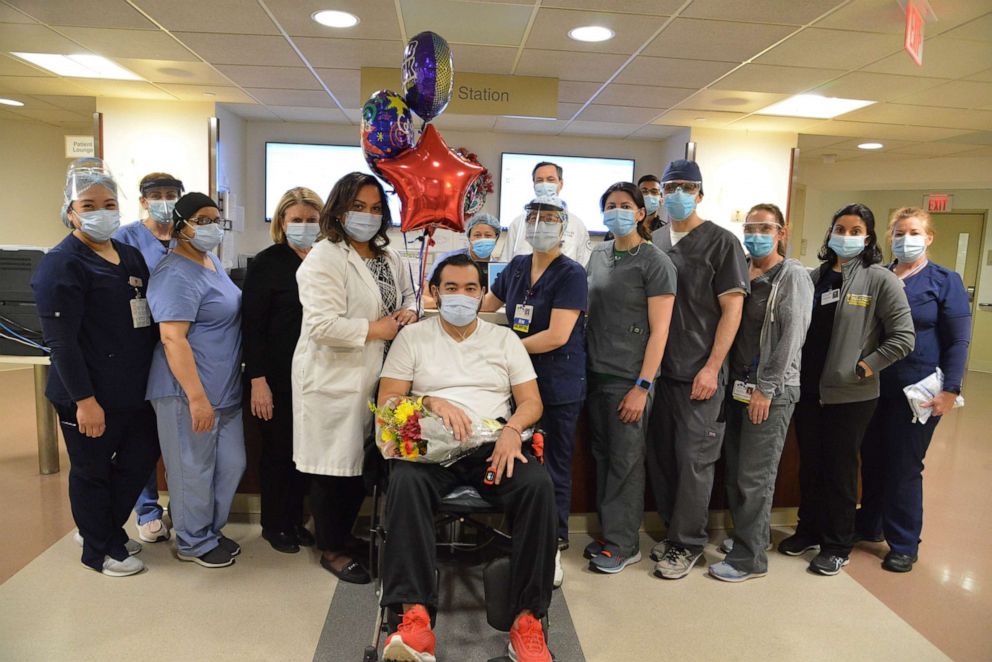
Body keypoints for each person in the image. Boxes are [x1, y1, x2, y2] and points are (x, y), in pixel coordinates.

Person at [377, 253, 556, 662]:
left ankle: (527, 620)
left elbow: (531, 401)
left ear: (481, 294)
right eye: (451, 288)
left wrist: (512, 431)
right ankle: (415, 619)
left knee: (536, 488)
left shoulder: (504, 339)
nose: (461, 296)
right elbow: (388, 399)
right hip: (431, 446)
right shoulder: (413, 338)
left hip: (493, 444)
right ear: (435, 293)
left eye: (470, 288)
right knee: (404, 482)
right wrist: (429, 401)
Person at [31, 158, 160, 577]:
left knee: (139, 461)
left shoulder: (127, 255)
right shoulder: (62, 264)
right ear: (70, 210)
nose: (100, 212)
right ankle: (98, 551)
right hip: (86, 393)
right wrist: (85, 401)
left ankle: (102, 531)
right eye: (88, 205)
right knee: (92, 471)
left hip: (131, 390)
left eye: (107, 203)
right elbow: (61, 342)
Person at [292, 172, 416, 584]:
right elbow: (322, 326)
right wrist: (377, 329)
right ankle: (331, 548)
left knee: (360, 464)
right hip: (334, 375)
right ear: (340, 210)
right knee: (332, 469)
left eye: (376, 209)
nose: (368, 216)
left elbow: (409, 296)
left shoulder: (387, 256)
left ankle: (343, 536)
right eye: (359, 207)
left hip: (373, 375)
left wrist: (409, 313)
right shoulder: (325, 257)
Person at [780, 203, 914, 576]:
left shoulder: (879, 280)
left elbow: (904, 338)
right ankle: (808, 529)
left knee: (839, 471)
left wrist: (865, 366)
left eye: (856, 231)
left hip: (852, 395)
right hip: (809, 390)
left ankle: (837, 544)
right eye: (841, 228)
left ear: (868, 238)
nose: (846, 236)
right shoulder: (815, 276)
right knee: (810, 466)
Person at [646, 159, 750, 580]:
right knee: (664, 460)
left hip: (698, 374)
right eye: (670, 187)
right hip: (659, 373)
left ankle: (688, 544)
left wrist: (712, 368)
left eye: (686, 187)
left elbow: (733, 309)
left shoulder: (721, 243)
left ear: (700, 194)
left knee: (694, 461)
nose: (676, 194)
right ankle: (673, 534)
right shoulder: (653, 240)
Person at [856, 207, 970, 573]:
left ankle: (903, 542)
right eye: (900, 233)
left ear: (929, 237)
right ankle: (869, 524)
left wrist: (950, 389)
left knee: (903, 465)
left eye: (915, 232)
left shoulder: (943, 280)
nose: (907, 239)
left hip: (917, 389)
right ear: (890, 237)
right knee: (871, 459)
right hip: (872, 386)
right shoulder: (878, 276)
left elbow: (958, 340)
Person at [482, 195, 588, 585]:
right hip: (519, 383)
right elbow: (485, 306)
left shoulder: (571, 274)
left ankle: (554, 538)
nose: (539, 224)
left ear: (564, 227)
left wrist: (505, 349)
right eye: (533, 217)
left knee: (553, 462)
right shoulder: (516, 267)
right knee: (519, 460)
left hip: (557, 381)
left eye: (549, 218)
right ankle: (519, 533)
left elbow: (558, 335)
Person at [707, 204, 813, 583]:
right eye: (750, 227)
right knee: (737, 471)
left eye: (764, 227)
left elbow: (791, 339)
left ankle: (750, 559)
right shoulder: (745, 270)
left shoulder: (792, 277)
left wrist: (766, 389)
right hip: (739, 387)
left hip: (771, 391)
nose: (756, 234)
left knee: (755, 476)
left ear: (781, 233)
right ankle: (749, 538)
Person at [146, 192, 246, 569]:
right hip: (187, 392)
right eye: (201, 219)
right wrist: (196, 397)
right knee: (192, 469)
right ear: (179, 225)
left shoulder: (210, 262)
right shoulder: (173, 274)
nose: (211, 226)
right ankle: (192, 540)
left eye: (215, 218)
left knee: (231, 464)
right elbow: (172, 338)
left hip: (224, 388)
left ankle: (208, 528)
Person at [584, 182, 677, 574]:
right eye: (610, 205)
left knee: (625, 461)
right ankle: (610, 533)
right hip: (595, 372)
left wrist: (643, 386)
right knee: (604, 458)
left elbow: (661, 330)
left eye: (625, 205)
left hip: (629, 378)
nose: (617, 211)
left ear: (642, 213)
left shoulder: (655, 262)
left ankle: (625, 543)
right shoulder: (599, 254)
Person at [242, 187, 323, 553]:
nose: (305, 226)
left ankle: (294, 519)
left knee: (305, 454)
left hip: (316, 376)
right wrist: (258, 381)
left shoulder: (325, 260)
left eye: (311, 220)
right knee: (278, 452)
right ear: (282, 223)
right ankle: (275, 525)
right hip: (275, 376)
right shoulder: (267, 263)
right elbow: (252, 327)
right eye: (297, 220)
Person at [112, 171, 184, 545]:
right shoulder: (126, 238)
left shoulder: (188, 236)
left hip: (180, 347)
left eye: (172, 194)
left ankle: (182, 507)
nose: (164, 200)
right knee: (141, 435)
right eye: (156, 195)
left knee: (177, 436)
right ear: (143, 201)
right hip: (140, 345)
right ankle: (148, 509)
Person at [504, 161, 592, 266]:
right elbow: (505, 263)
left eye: (550, 180)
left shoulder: (577, 225)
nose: (544, 184)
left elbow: (585, 265)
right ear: (534, 185)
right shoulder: (518, 223)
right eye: (539, 180)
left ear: (561, 184)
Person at [423, 212, 501, 308]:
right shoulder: (447, 260)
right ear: (469, 237)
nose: (482, 239)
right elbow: (425, 297)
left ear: (496, 237)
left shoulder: (499, 269)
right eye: (477, 235)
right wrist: (452, 304)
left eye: (488, 235)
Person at [602, 174, 667, 240]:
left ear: (661, 198)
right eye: (644, 191)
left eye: (654, 192)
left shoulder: (665, 232)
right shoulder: (617, 230)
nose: (649, 195)